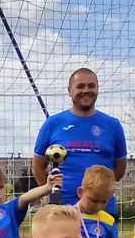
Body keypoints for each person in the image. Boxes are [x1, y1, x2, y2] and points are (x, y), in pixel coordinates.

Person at [33, 68, 127, 213]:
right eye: (80, 86)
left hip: (103, 211)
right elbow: (38, 167)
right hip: (63, 210)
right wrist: (52, 192)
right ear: (69, 90)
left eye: (91, 86)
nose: (86, 90)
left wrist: (99, 189)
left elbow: (119, 170)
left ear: (97, 89)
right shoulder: (53, 123)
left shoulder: (113, 125)